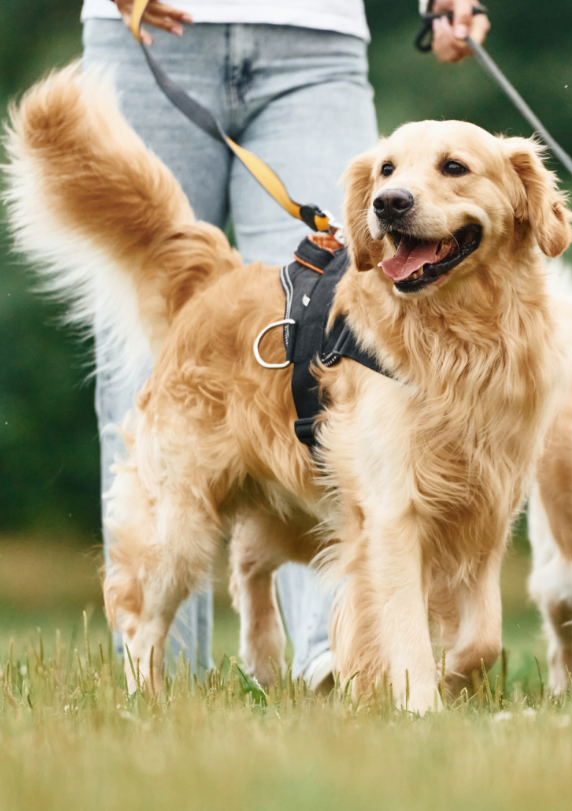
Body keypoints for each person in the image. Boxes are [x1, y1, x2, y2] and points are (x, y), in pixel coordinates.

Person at [81, 0, 489, 686]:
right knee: (146, 382)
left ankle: (335, 655)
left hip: (314, 40)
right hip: (143, 28)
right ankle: (157, 679)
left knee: (345, 344)